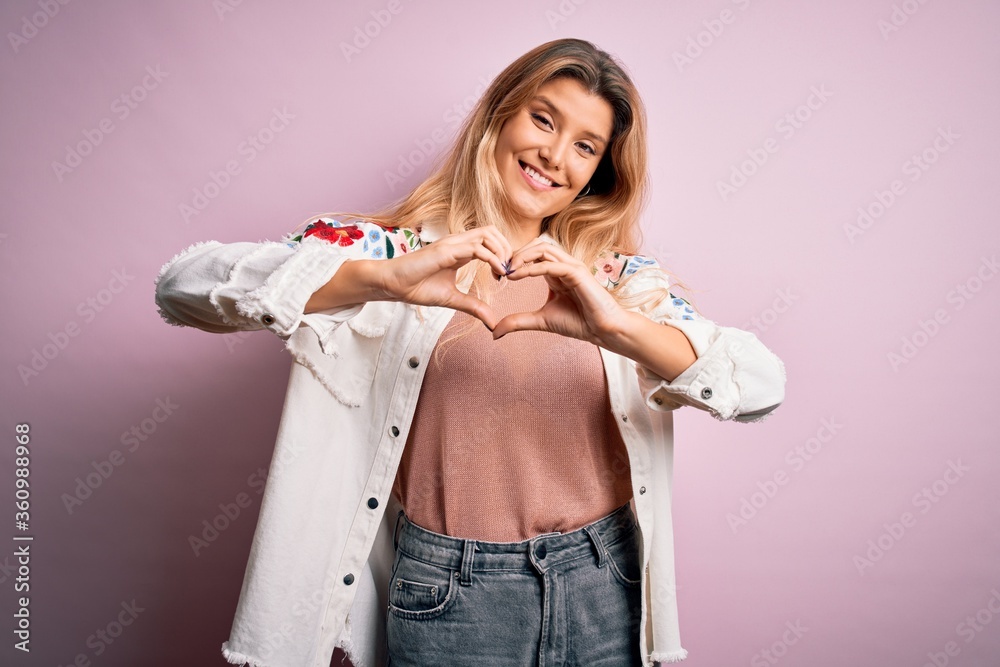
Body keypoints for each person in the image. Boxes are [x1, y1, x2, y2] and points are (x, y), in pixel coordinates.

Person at [154, 38, 786, 667]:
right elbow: (182, 287)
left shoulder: (616, 280)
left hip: (603, 578)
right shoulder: (387, 251)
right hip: (450, 589)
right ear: (499, 116)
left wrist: (615, 329)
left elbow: (761, 385)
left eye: (585, 146)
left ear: (599, 172)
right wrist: (382, 280)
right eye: (543, 119)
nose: (554, 155)